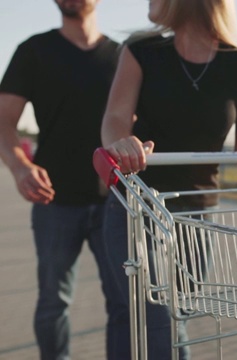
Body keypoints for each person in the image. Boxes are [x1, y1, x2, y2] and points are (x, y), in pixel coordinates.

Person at [99, 0, 237, 358]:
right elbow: (116, 117)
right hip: (135, 206)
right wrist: (122, 143)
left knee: (178, 317)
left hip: (195, 216)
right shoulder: (141, 52)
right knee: (155, 316)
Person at [0, 0, 120, 359]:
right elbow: (3, 121)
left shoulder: (123, 56)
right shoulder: (34, 51)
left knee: (124, 304)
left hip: (115, 202)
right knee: (53, 303)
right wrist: (20, 167)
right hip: (54, 200)